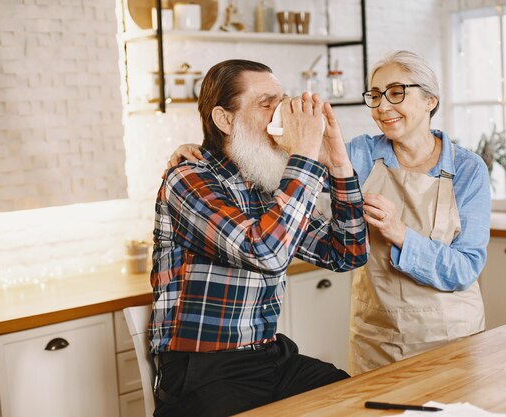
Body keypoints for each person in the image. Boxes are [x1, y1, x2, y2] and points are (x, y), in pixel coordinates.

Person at [167, 51, 491, 376]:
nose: (382, 106)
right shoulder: (360, 153)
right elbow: (281, 175)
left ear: (430, 101)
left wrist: (401, 234)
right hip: (380, 336)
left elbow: (465, 268)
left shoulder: (466, 169)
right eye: (375, 96)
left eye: (396, 93)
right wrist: (199, 148)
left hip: (450, 335)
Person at [149, 59, 367, 417]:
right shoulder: (187, 179)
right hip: (204, 369)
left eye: (281, 101)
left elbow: (347, 254)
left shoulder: (268, 180)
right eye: (267, 104)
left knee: (357, 400)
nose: (281, 112)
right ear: (225, 119)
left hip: (268, 355)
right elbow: (265, 251)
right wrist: (305, 156)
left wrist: (337, 163)